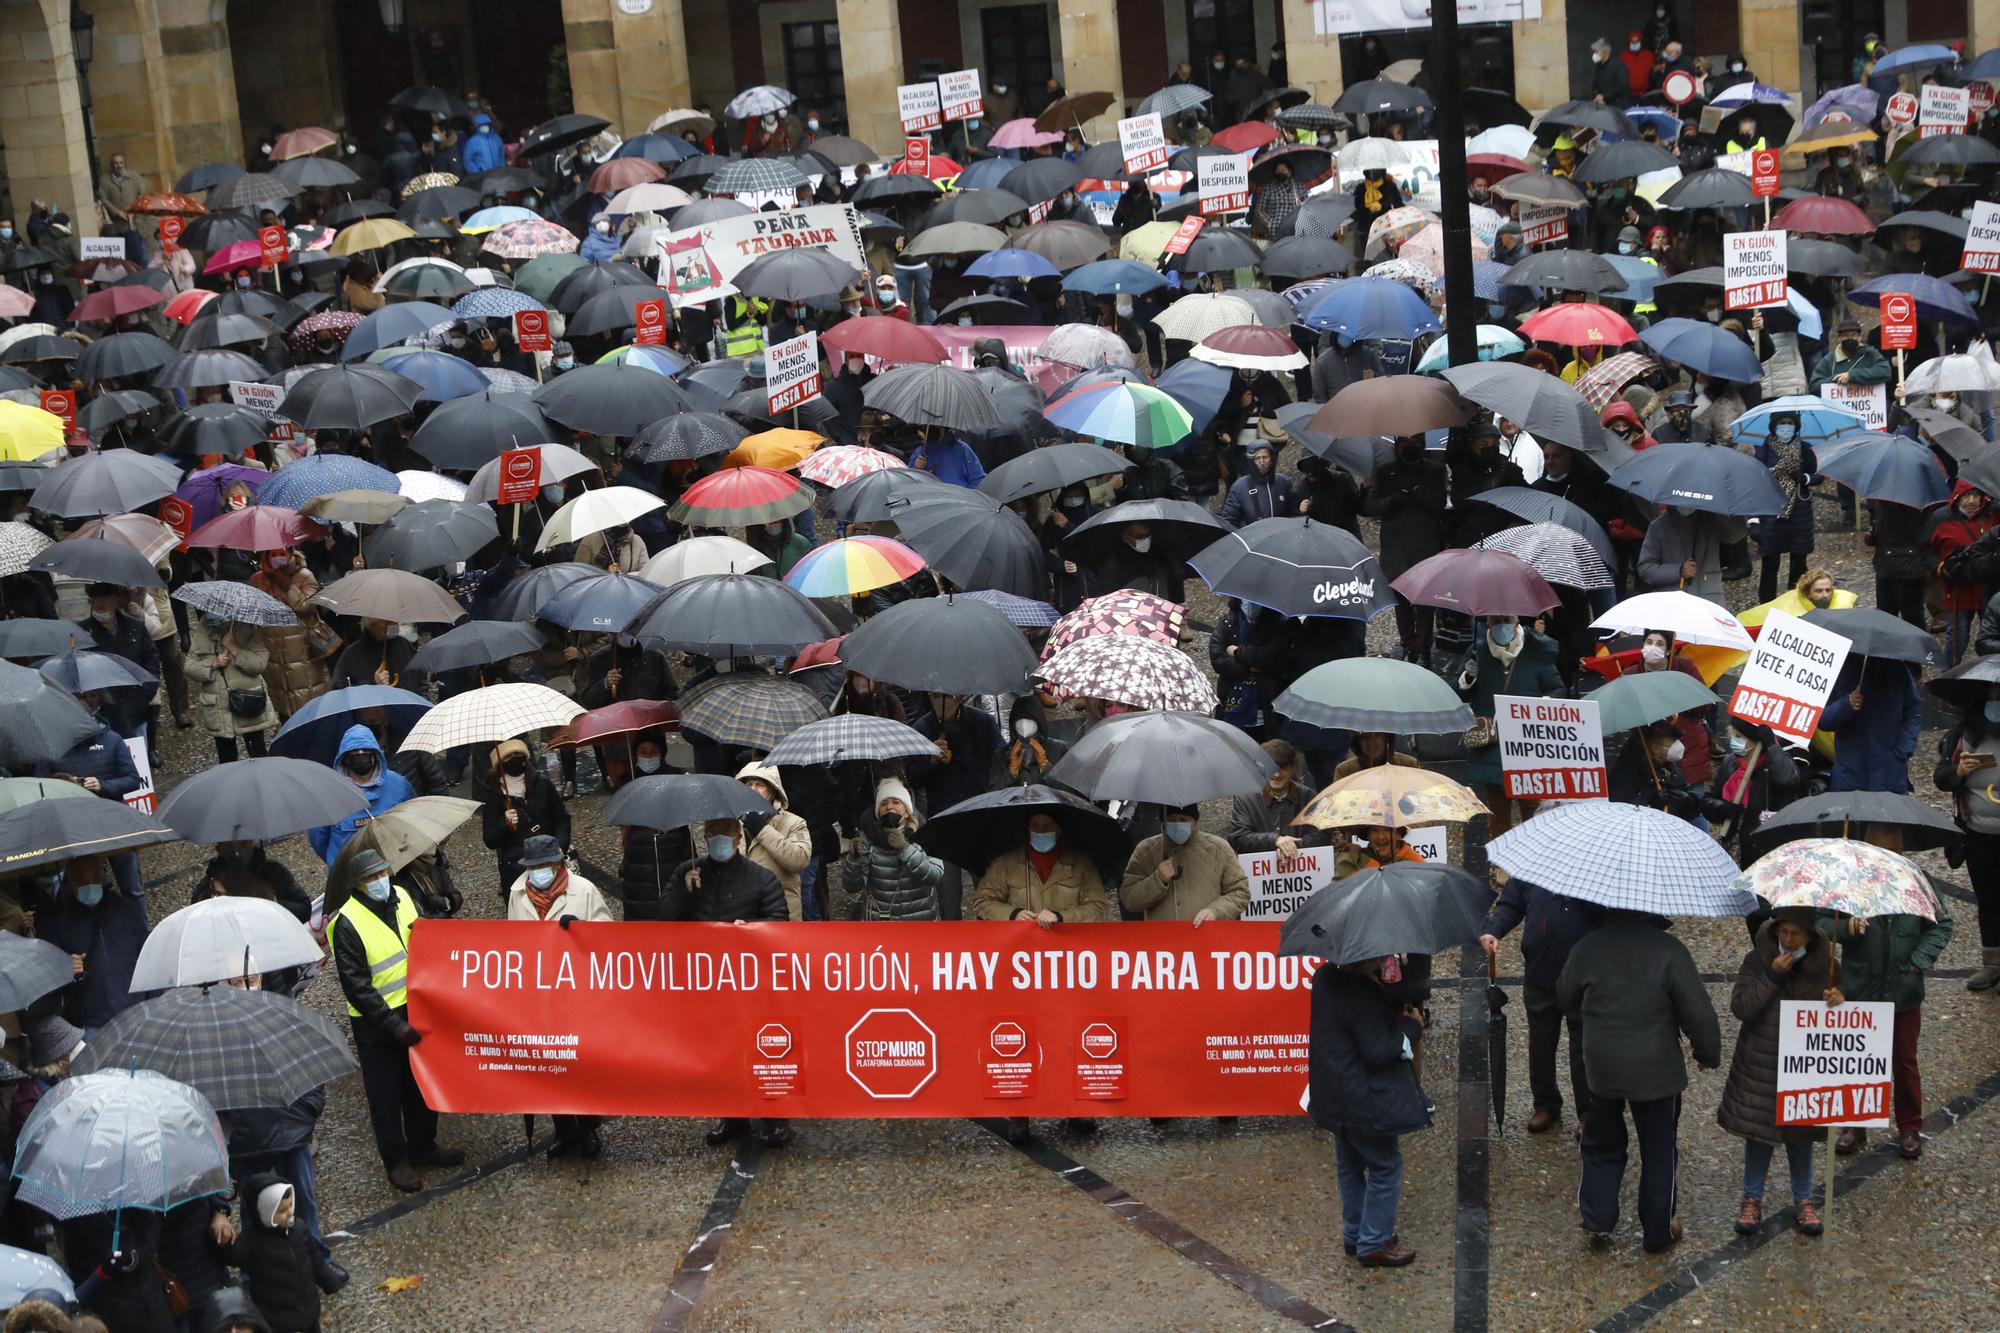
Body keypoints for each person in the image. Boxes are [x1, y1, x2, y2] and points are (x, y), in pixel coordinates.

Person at [1559, 906, 1721, 1252]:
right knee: (1659, 1151)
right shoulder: (1670, 950)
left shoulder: (1588, 946)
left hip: (1601, 1066)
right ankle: (1657, 1231)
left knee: (1600, 1143)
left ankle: (1598, 1218)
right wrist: (1706, 1053)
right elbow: (1698, 1011)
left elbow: (1565, 996)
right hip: (1656, 1070)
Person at [330, 848, 464, 1191]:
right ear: (358, 884)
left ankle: (423, 1146)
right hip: (377, 1026)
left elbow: (422, 940)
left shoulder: (403, 895)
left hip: (416, 1009)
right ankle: (396, 1161)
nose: (380, 882)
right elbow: (357, 987)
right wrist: (393, 1025)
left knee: (420, 1086)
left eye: (383, 874)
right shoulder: (346, 923)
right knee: (386, 1097)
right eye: (372, 878)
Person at [662, 816, 792, 1147]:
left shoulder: (760, 878)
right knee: (719, 1053)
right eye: (711, 834)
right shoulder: (688, 871)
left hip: (751, 984)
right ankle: (731, 1116)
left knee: (762, 1050)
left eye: (725, 834)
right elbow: (664, 920)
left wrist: (748, 929)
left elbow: (778, 922)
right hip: (707, 983)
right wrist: (685, 892)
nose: (718, 839)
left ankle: (775, 1118)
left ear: (738, 838)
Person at [1820, 840, 1950, 1161]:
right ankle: (1854, 1124)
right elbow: (1821, 924)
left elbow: (1941, 925)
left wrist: (1919, 959)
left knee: (1904, 1061)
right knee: (1859, 1060)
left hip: (1904, 991)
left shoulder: (1918, 881)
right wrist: (1846, 927)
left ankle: (1909, 1127)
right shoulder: (1848, 881)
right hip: (1860, 989)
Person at [1719, 909, 1843, 1237]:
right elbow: (1742, 1007)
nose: (1787, 941)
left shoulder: (1826, 969)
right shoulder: (1756, 960)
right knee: (1759, 1135)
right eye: (1783, 933)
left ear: (1810, 937)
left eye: (1795, 935)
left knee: (1801, 1135)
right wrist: (1770, 977)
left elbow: (1841, 1017)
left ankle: (1804, 1200)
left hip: (1802, 1070)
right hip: (1762, 1065)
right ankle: (1751, 1199)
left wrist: (1838, 1000)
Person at [1308, 952, 1428, 1267]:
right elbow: (1378, 1051)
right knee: (1386, 1166)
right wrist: (1411, 1027)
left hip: (1333, 1091)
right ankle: (1374, 1241)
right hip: (1364, 1098)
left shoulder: (1324, 977)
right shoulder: (1362, 992)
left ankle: (1356, 1233)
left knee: (1348, 1163)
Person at [506, 835, 612, 1159]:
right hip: (540, 995)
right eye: (533, 866)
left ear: (557, 863)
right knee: (550, 1065)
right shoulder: (517, 893)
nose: (539, 872)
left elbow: (609, 936)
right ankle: (564, 1131)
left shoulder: (584, 890)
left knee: (582, 1064)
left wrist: (583, 931)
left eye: (544, 865)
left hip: (578, 992)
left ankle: (588, 1128)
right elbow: (512, 942)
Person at [1480, 869, 1603, 1134]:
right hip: (1540, 970)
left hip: (1585, 974)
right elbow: (1511, 904)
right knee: (1541, 1043)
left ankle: (1589, 1112)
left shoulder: (1596, 863)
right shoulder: (1533, 864)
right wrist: (1494, 931)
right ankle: (1545, 1104)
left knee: (1585, 1047)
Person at [1454, 615, 1564, 839]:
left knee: (1532, 808)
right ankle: (1499, 869)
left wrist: (1540, 707)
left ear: (1516, 622)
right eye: (1495, 621)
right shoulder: (1477, 652)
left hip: (1528, 746)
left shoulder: (1537, 652)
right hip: (1493, 746)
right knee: (1497, 808)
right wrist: (1467, 678)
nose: (1501, 626)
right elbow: (1458, 694)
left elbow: (1558, 690)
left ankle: (1534, 862)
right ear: (1488, 624)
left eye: (1506, 620)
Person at [36, 854, 147, 1035]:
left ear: (102, 877)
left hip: (134, 1015)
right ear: (71, 883)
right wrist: (64, 968)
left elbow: (147, 957)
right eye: (83, 881)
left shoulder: (124, 911)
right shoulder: (58, 922)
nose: (90, 885)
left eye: (95, 879)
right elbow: (47, 973)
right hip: (91, 1024)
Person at [1367, 438, 1449, 666]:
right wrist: (1393, 500)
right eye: (1405, 442)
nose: (1409, 447)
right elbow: (1371, 505)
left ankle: (1424, 647)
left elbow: (1440, 502)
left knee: (1425, 600)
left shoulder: (1435, 469)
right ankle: (1408, 645)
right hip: (1396, 547)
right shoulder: (1385, 472)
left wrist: (1418, 493)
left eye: (1414, 442)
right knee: (1400, 600)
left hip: (1425, 545)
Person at [969, 813, 1114, 924]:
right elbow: (982, 901)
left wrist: (1061, 917)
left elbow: (1099, 907)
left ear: (1059, 829)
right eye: (1034, 826)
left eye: (1047, 826)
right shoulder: (1005, 863)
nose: (1040, 831)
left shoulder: (1081, 864)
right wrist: (1013, 914)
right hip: (1018, 950)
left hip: (1068, 950)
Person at [220, 1175, 320, 1333]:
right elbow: (233, 1257)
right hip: (277, 1318)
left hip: (309, 1309)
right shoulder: (252, 1241)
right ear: (266, 1212)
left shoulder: (299, 1228)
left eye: (291, 1205)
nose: (289, 1213)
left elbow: (315, 1258)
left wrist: (328, 1279)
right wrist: (224, 1242)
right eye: (282, 1210)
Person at [836, 777, 945, 920]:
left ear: (907, 811)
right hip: (880, 922)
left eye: (896, 802)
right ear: (878, 812)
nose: (889, 807)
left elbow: (934, 876)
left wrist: (905, 849)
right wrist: (854, 860)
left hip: (920, 921)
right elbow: (852, 887)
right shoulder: (868, 837)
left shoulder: (925, 834)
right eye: (884, 803)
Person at [1120, 805, 1249, 923]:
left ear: (1195, 821)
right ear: (1163, 821)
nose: (1177, 824)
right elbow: (1129, 899)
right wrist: (1158, 880)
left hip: (1208, 940)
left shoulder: (1219, 848)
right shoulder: (1146, 850)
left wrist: (1216, 911)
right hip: (1162, 942)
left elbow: (1240, 892)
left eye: (1183, 819)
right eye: (1171, 819)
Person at [308, 725, 415, 864]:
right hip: (348, 876)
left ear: (375, 756)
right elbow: (318, 840)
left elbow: (412, 820)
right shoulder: (327, 793)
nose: (360, 755)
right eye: (355, 753)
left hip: (394, 868)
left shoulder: (398, 784)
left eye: (365, 752)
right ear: (345, 758)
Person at [480, 737, 571, 896]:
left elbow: (561, 818)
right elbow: (490, 840)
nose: (514, 760)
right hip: (516, 868)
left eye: (517, 754)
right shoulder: (493, 794)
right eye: (508, 757)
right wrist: (504, 824)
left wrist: (560, 847)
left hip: (550, 858)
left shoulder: (542, 783)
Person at [184, 613, 279, 763]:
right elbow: (189, 667)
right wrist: (213, 663)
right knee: (227, 759)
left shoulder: (246, 625)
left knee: (258, 755)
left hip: (248, 700)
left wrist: (235, 650)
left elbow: (260, 664)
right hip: (219, 707)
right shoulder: (204, 628)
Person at [1820, 658, 1920, 794]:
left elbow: (1913, 713)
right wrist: (1846, 705)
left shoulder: (1898, 670)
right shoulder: (1841, 670)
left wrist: (1903, 750)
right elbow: (1822, 720)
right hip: (1851, 776)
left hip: (1891, 775)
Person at [1751, 412, 1817, 603]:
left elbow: (1818, 474)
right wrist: (1753, 519)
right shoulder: (1763, 450)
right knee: (1770, 562)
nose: (1786, 427)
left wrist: (1804, 478)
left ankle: (1796, 602)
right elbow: (1755, 482)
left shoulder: (1805, 449)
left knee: (1799, 562)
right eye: (1782, 423)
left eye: (1789, 423)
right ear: (1773, 426)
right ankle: (1766, 605)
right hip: (1772, 511)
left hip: (1799, 511)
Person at [738, 762, 813, 921]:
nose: (753, 790)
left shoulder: (794, 823)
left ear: (772, 791)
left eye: (759, 785)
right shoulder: (731, 823)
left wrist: (761, 829)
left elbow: (799, 860)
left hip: (782, 915)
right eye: (748, 784)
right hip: (742, 915)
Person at [1226, 739, 1319, 853]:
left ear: (1292, 768)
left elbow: (1320, 835)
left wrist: (1290, 848)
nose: (1276, 774)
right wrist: (1274, 840)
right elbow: (1237, 838)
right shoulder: (1246, 799)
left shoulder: (1308, 796)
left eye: (1282, 768)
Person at [1219, 437, 1295, 526]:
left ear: (1271, 459)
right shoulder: (1240, 486)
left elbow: (1293, 513)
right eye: (1257, 458)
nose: (1262, 462)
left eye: (1265, 457)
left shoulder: (1283, 482)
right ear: (1251, 461)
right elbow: (1229, 521)